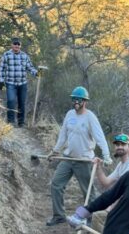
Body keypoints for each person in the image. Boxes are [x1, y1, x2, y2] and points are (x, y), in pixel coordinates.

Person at [47, 86, 112, 226]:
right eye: (74, 99)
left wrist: (106, 155)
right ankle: (59, 215)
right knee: (56, 184)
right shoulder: (70, 114)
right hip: (68, 158)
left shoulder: (90, 117)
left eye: (79, 100)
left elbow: (100, 137)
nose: (76, 102)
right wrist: (55, 151)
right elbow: (63, 135)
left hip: (84, 160)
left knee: (88, 193)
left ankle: (91, 220)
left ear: (84, 101)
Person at [78, 133, 129, 234]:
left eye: (123, 144)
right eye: (117, 145)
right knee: (100, 216)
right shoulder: (121, 165)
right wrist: (99, 167)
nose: (119, 147)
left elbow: (127, 190)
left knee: (99, 216)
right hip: (124, 204)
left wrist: (110, 207)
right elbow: (106, 183)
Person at [0, 37, 39, 127]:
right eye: (15, 43)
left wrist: (36, 73)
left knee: (22, 103)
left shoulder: (24, 56)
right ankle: (10, 122)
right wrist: (1, 81)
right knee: (11, 101)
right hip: (10, 83)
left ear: (20, 45)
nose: (17, 45)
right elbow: (2, 68)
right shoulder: (6, 55)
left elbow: (30, 67)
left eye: (18, 44)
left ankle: (21, 123)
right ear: (11, 45)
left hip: (22, 83)